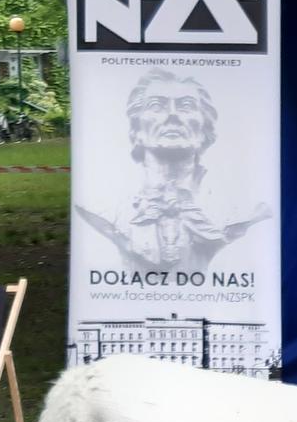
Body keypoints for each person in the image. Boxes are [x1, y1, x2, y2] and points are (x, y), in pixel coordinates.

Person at [74, 69, 272, 274]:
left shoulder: (240, 204)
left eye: (186, 106)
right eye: (156, 106)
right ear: (137, 128)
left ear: (204, 127)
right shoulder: (104, 204)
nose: (173, 115)